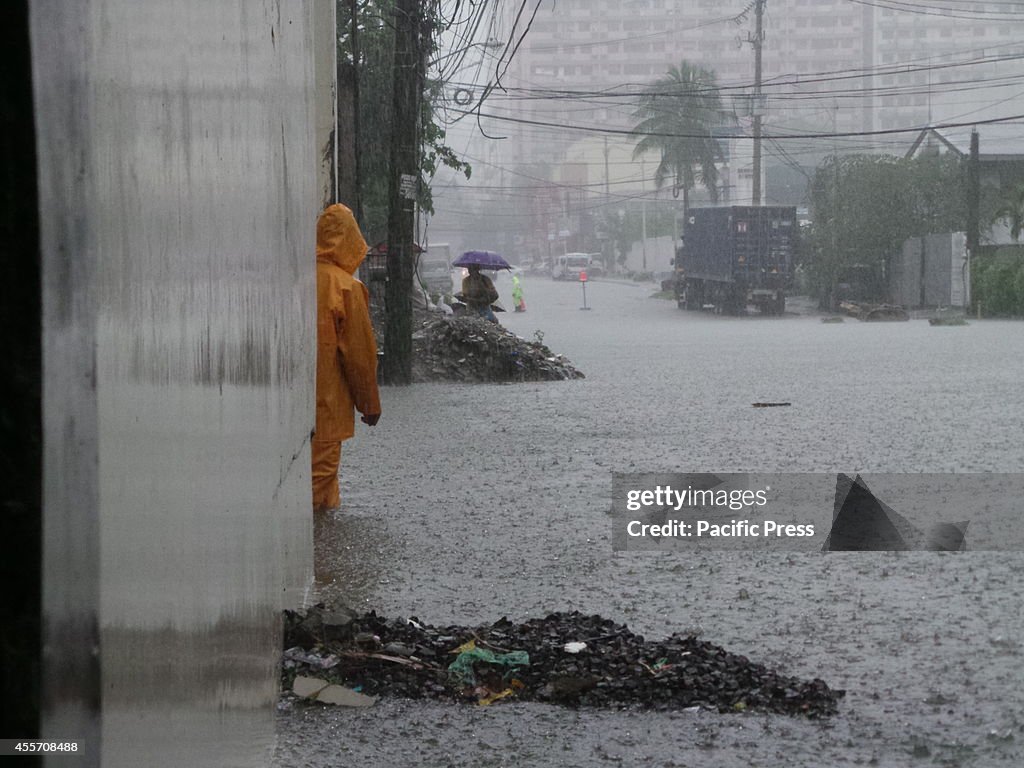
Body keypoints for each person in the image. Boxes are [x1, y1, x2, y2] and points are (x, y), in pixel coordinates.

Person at [313, 203, 381, 513]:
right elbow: (359, 357)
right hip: (327, 409)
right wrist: (369, 405)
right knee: (317, 491)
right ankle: (319, 559)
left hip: (289, 410)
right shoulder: (346, 288)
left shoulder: (295, 279)